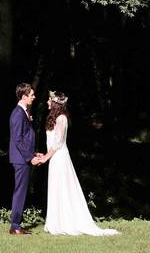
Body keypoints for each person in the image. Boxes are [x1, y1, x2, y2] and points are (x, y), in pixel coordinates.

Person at [38, 91, 119, 236]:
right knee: (56, 186)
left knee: (62, 187)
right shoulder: (54, 118)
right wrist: (45, 155)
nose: (47, 102)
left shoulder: (62, 118)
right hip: (54, 158)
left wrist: (45, 157)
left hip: (60, 157)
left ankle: (66, 221)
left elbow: (58, 142)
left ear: (55, 103)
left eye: (49, 100)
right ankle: (56, 221)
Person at [8, 82, 44, 235]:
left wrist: (34, 154)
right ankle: (15, 226)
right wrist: (30, 158)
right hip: (21, 160)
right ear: (24, 96)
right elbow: (18, 139)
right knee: (20, 191)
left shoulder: (23, 112)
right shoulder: (18, 113)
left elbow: (25, 138)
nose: (34, 97)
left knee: (21, 191)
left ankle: (16, 225)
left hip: (24, 158)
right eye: (31, 95)